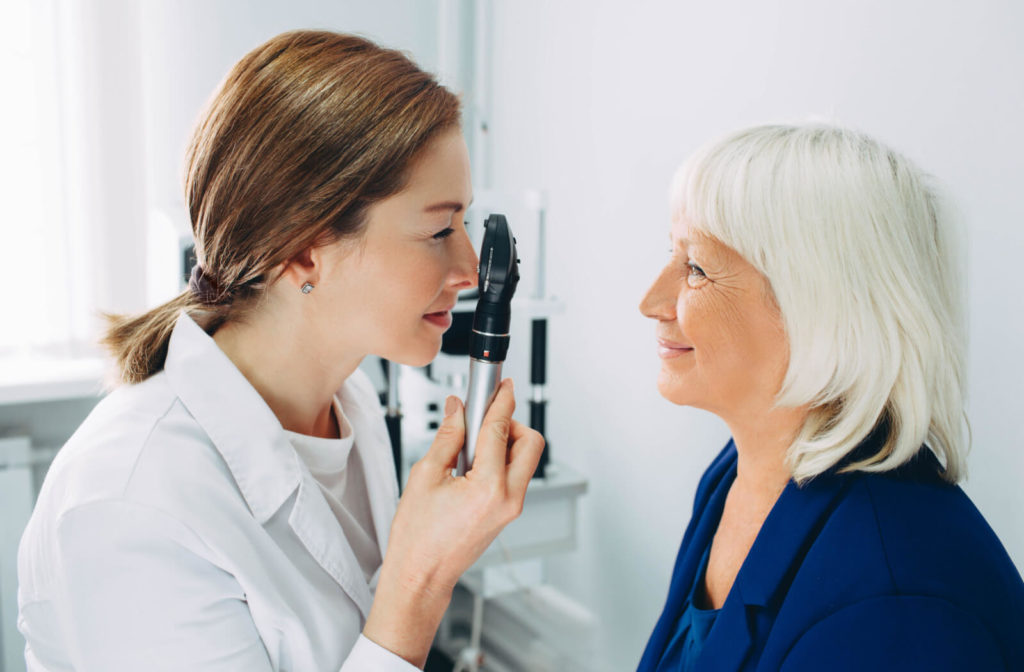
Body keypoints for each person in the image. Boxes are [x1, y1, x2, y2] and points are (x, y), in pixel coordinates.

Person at [17, 30, 543, 671]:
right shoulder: (129, 504)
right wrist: (421, 581)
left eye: (465, 224)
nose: (468, 269)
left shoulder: (350, 405)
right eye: (437, 230)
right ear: (302, 249)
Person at [636, 124, 1024, 671]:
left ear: (819, 307)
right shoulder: (735, 475)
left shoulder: (897, 611)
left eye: (695, 267)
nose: (651, 301)